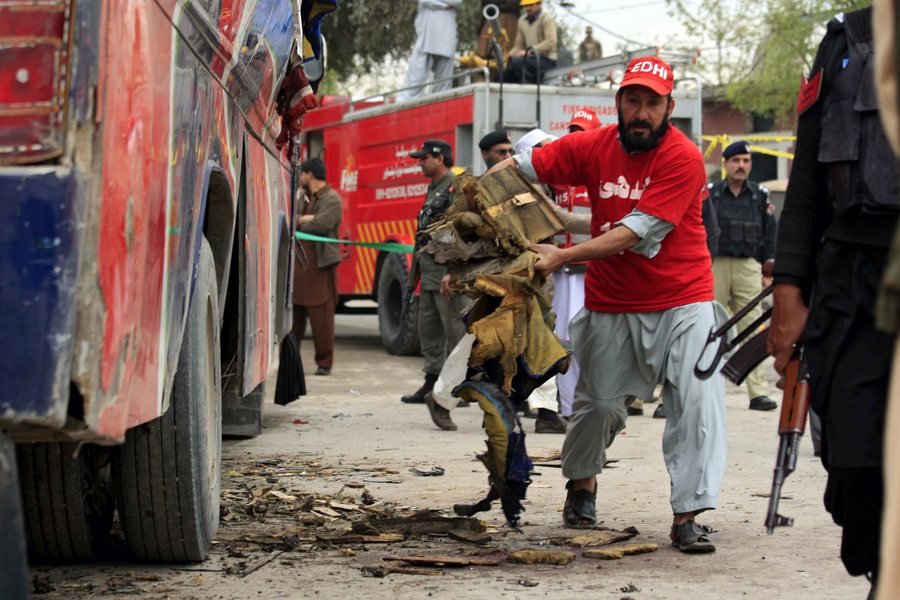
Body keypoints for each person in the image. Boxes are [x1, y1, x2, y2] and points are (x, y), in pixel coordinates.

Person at [486, 55, 726, 551]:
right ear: (617, 103)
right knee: (597, 405)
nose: (641, 112)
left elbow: (635, 233)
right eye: (633, 100)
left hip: (684, 299)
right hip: (613, 302)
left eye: (652, 104)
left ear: (669, 108)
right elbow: (522, 164)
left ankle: (688, 515)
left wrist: (563, 255)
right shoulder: (593, 146)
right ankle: (581, 485)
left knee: (696, 403)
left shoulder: (683, 158)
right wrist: (481, 200)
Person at [768, 6, 897, 595]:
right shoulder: (847, 39)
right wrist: (789, 289)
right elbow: (807, 185)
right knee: (851, 463)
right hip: (854, 280)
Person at [425, 129, 570, 434]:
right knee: (479, 340)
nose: (553, 155)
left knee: (542, 337)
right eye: (545, 150)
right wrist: (455, 271)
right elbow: (464, 234)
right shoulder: (498, 188)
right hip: (503, 279)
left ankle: (543, 411)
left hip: (537, 278)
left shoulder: (545, 189)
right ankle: (441, 397)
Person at [708, 140, 778, 411]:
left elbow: (769, 234)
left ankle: (757, 392)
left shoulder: (759, 194)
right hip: (715, 266)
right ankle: (698, 390)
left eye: (746, 161)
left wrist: (768, 269)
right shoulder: (712, 193)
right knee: (706, 328)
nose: (741, 166)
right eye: (735, 161)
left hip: (749, 267)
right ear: (725, 164)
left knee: (752, 328)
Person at [401, 140, 468, 405]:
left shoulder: (454, 186)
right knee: (428, 331)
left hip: (445, 274)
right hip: (428, 272)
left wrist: (451, 270)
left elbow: (459, 231)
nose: (420, 162)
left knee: (454, 331)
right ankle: (431, 382)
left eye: (424, 157)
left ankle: (459, 387)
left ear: (440, 159)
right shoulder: (434, 188)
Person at [293, 158, 343, 376]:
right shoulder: (304, 197)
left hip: (320, 266)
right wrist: (303, 218)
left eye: (302, 173)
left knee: (321, 317)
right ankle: (291, 361)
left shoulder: (332, 199)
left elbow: (321, 225)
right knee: (294, 317)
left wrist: (301, 220)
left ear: (309, 175)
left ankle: (324, 362)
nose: (301, 177)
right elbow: (290, 217)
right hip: (300, 265)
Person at [397, 0, 462, 101]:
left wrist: (439, 4)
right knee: (415, 81)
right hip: (427, 38)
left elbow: (456, 1)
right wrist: (445, 5)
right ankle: (403, 106)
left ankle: (440, 107)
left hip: (447, 37)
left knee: (443, 85)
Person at [502, 0, 557, 84]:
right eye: (526, 5)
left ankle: (528, 88)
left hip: (546, 60)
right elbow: (519, 46)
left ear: (539, 4)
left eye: (530, 5)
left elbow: (551, 41)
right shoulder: (522, 21)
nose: (527, 8)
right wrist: (507, 58)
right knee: (503, 72)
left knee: (518, 63)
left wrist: (531, 51)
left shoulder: (546, 18)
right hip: (529, 59)